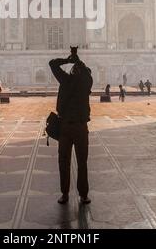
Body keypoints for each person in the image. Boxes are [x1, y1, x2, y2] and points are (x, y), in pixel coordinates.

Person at [49, 49, 93, 205]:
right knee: (82, 163)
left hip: (67, 128)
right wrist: (78, 60)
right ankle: (83, 195)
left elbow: (52, 63)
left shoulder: (66, 80)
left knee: (64, 162)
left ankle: (65, 194)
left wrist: (69, 60)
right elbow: (87, 74)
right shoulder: (85, 83)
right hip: (79, 128)